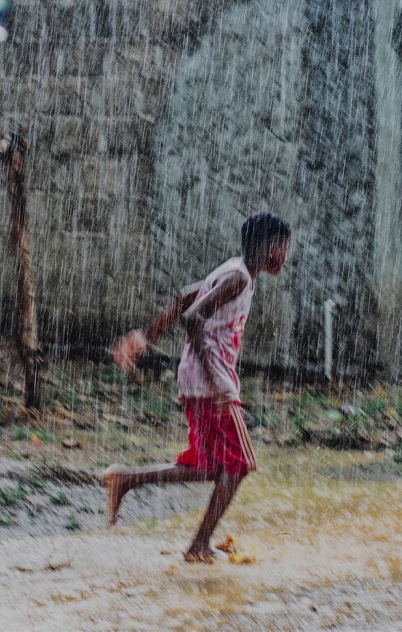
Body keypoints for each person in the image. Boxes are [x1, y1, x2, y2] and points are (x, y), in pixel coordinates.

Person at [104, 211, 291, 563]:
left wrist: (145, 337)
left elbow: (185, 298)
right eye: (284, 248)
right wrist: (216, 381)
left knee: (210, 466)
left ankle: (125, 480)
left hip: (196, 379)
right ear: (270, 248)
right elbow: (193, 317)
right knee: (239, 465)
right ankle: (198, 546)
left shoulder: (234, 270)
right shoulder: (237, 277)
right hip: (209, 382)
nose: (285, 257)